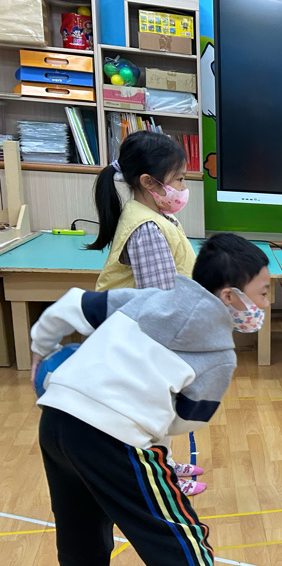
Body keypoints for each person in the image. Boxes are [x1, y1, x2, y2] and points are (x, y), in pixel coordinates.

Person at [31, 233, 272, 566]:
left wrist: (42, 351)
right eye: (264, 292)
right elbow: (188, 420)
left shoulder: (146, 299)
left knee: (76, 509)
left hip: (57, 415)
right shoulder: (220, 354)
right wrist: (150, 420)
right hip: (115, 436)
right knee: (176, 530)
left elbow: (72, 304)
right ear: (230, 297)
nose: (266, 304)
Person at [90, 131, 206, 492]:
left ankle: (164, 464)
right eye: (179, 179)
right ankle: (157, 482)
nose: (184, 188)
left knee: (160, 410)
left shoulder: (153, 215)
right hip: (138, 340)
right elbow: (159, 300)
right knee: (147, 413)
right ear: (149, 183)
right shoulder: (147, 229)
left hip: (141, 336)